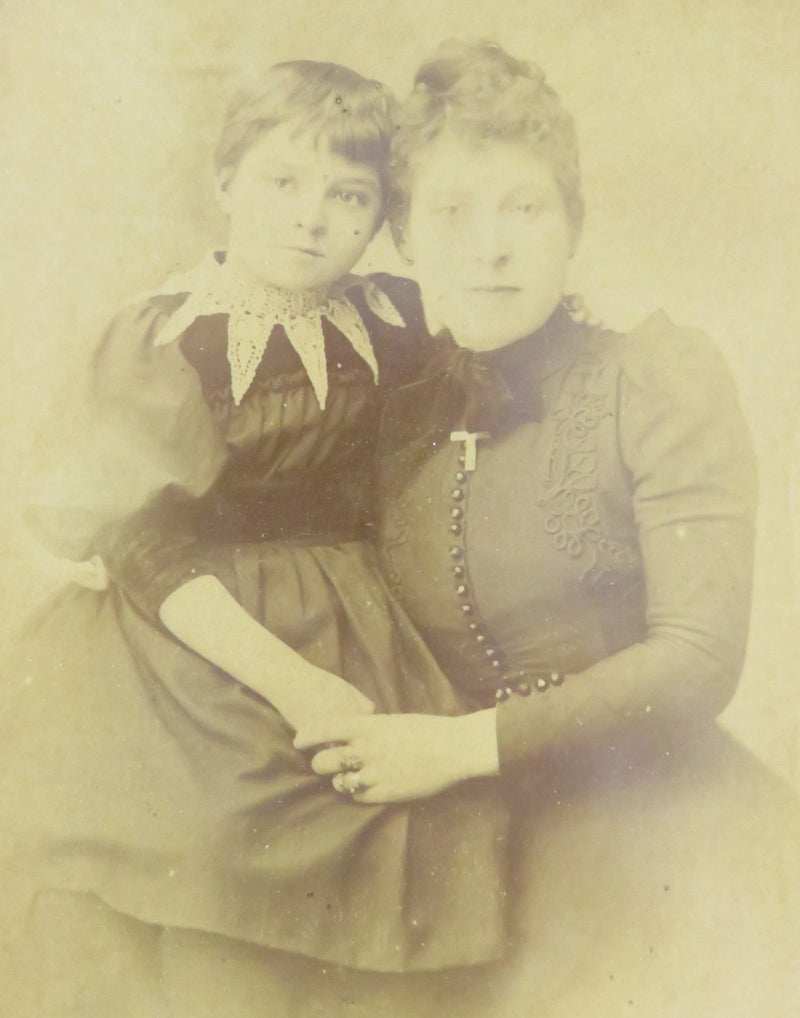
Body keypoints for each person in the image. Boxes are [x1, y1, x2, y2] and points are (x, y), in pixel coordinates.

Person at [296, 40, 800, 1014]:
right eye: (449, 211)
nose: (489, 246)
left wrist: (452, 748)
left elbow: (698, 653)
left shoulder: (652, 378)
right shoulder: (379, 405)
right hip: (459, 859)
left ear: (571, 223)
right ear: (402, 235)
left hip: (657, 839)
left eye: (523, 207)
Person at [0, 59, 508, 1017]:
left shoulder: (396, 318)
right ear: (226, 183)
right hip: (191, 636)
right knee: (223, 852)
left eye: (348, 196)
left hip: (360, 622)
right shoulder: (167, 336)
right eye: (282, 182)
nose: (311, 217)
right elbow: (140, 544)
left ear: (377, 217)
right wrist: (296, 682)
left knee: (417, 833)